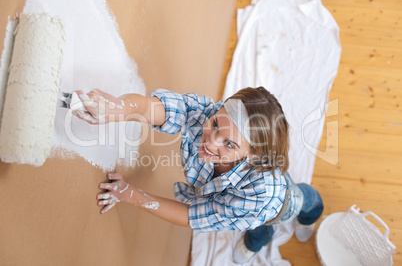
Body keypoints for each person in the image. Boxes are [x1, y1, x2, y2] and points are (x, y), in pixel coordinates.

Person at [73, 86, 323, 264]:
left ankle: (307, 216)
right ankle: (261, 233)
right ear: (220, 108)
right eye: (215, 124)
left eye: (229, 144)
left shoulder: (259, 196)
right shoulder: (208, 112)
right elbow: (155, 108)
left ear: (254, 155)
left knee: (292, 207)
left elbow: (190, 215)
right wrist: (121, 108)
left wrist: (132, 195)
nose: (211, 143)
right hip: (256, 196)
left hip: (280, 204)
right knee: (260, 227)